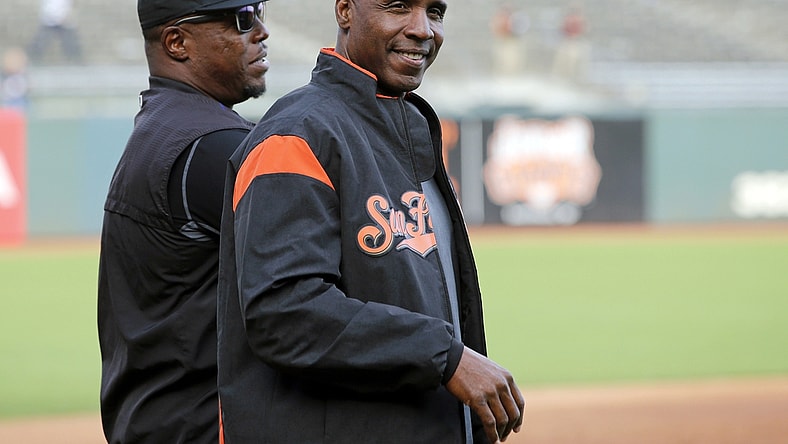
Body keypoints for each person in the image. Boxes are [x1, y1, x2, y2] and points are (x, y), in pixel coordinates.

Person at [217, 0, 525, 442]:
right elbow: (283, 313)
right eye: (398, 6)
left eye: (434, 12)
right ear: (344, 10)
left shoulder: (405, 123)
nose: (422, 30)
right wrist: (446, 356)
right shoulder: (296, 134)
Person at [97, 1, 270, 442]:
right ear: (177, 42)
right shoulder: (216, 146)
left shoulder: (162, 126)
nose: (262, 31)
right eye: (243, 18)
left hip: (156, 422)